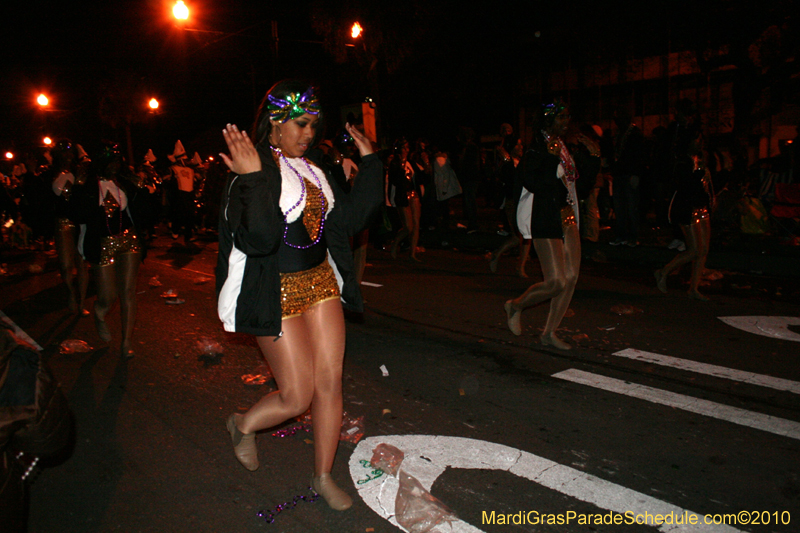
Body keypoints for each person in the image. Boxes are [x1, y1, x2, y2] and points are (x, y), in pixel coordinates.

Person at [216, 80, 381, 511]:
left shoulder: (314, 170)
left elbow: (349, 221)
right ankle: (244, 424)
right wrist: (251, 179)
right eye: (301, 124)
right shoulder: (252, 170)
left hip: (321, 282)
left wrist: (372, 163)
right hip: (274, 291)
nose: (309, 134)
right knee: (297, 395)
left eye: (313, 125)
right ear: (275, 124)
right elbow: (260, 240)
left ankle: (323, 475)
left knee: (330, 383)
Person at [504, 100, 599, 350]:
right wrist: (549, 156)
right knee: (556, 281)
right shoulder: (537, 149)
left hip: (567, 218)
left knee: (571, 277)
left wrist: (594, 158)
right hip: (545, 218)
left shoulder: (564, 149)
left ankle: (549, 332)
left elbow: (580, 187)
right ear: (548, 120)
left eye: (568, 117)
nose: (567, 122)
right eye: (562, 117)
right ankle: (515, 305)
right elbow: (532, 182)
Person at [70, 142, 144, 358]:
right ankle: (99, 312)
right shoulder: (89, 186)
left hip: (129, 241)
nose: (115, 166)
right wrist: (78, 186)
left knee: (128, 292)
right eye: (110, 162)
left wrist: (142, 189)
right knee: (108, 296)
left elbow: (144, 212)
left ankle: (126, 341)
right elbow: (77, 214)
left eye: (117, 162)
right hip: (102, 243)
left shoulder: (124, 183)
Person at [654, 130, 714, 301]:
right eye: (697, 139)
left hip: (702, 207)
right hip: (686, 208)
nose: (700, 142)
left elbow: (706, 185)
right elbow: (685, 185)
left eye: (701, 139)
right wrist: (699, 173)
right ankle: (663, 271)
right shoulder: (682, 162)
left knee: (703, 250)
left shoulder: (702, 158)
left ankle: (693, 288)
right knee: (695, 249)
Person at [50, 139, 90, 315]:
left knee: (82, 263)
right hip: (62, 223)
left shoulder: (79, 171)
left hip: (80, 222)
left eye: (69, 153)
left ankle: (81, 302)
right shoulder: (49, 174)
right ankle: (71, 293)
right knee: (66, 265)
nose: (67, 157)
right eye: (63, 154)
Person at [388, 138, 423, 261]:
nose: (406, 150)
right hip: (402, 196)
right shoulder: (394, 163)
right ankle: (395, 244)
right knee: (408, 226)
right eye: (403, 147)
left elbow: (420, 176)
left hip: (413, 194)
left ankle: (412, 254)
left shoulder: (411, 163)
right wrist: (401, 164)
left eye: (407, 147)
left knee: (416, 224)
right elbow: (395, 180)